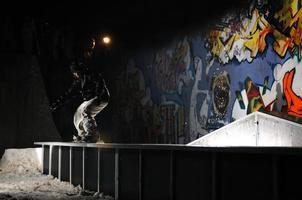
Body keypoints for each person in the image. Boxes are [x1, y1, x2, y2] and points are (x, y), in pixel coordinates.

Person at [50, 61, 110, 143]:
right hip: (90, 100)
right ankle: (83, 134)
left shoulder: (91, 74)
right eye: (75, 74)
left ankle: (93, 135)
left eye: (76, 73)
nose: (75, 75)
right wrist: (56, 104)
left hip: (101, 97)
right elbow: (68, 94)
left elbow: (100, 83)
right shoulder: (78, 82)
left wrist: (98, 95)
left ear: (78, 71)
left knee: (86, 110)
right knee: (77, 115)